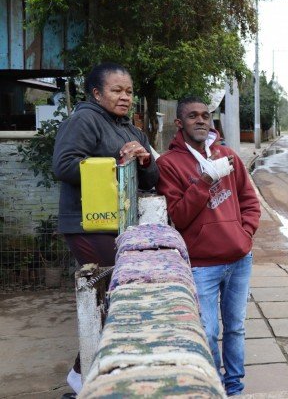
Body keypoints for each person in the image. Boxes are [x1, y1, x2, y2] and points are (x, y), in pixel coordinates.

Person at [52, 62, 159, 395]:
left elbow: (153, 181)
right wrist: (117, 160)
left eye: (128, 91)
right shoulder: (84, 120)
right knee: (114, 296)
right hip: (87, 224)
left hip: (120, 225)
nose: (125, 97)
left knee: (116, 298)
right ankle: (84, 374)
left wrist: (143, 160)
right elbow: (64, 164)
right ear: (97, 93)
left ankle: (95, 370)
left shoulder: (132, 129)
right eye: (116, 90)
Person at [155, 97, 260, 396]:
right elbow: (179, 216)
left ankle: (234, 387)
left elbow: (249, 201)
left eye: (205, 115)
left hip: (239, 258)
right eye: (192, 116)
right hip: (201, 264)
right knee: (208, 332)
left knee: (236, 327)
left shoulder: (228, 156)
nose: (201, 120)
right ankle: (214, 385)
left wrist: (246, 234)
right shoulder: (169, 164)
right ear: (179, 123)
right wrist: (205, 179)